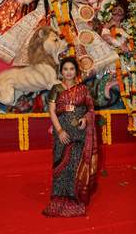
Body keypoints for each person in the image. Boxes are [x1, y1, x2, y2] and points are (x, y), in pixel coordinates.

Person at [42, 56, 98, 217]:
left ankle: (75, 199)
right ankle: (59, 198)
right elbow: (51, 111)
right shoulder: (56, 88)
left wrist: (84, 119)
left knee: (75, 165)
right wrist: (59, 131)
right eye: (65, 69)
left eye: (71, 69)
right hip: (62, 133)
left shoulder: (83, 90)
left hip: (79, 133)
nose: (68, 72)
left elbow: (91, 110)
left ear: (76, 71)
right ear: (61, 71)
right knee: (60, 166)